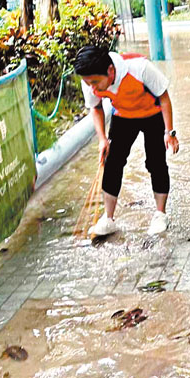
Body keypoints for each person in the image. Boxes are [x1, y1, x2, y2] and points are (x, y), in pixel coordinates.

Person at [74, 46, 179, 236]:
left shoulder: (139, 68)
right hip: (123, 116)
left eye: (96, 82)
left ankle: (160, 214)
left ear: (110, 71)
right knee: (112, 162)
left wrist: (169, 132)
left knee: (156, 163)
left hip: (152, 114)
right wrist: (102, 139)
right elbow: (96, 108)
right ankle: (108, 218)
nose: (92, 88)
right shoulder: (90, 82)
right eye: (88, 83)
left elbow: (164, 97)